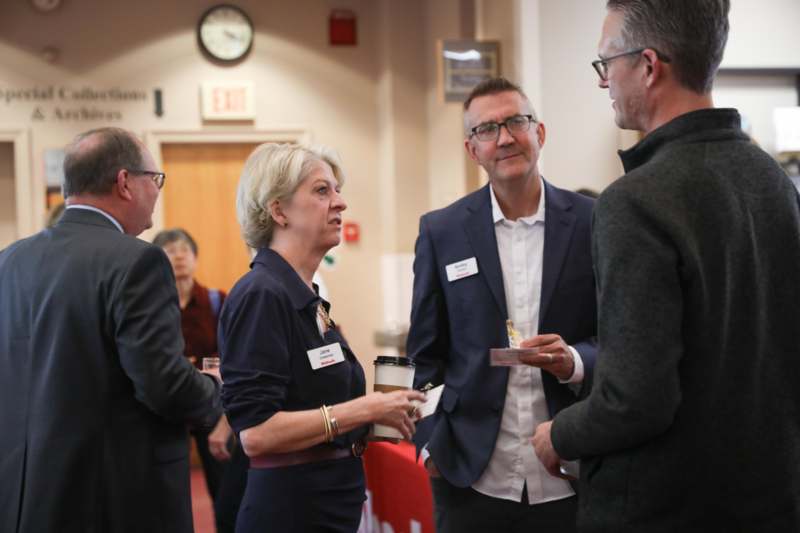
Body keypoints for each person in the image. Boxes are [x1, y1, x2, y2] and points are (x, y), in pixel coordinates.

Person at [532, 1, 800, 531]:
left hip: (665, 506)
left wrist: (559, 434)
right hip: (769, 497)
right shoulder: (774, 181)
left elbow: (635, 400)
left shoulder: (634, 201)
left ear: (649, 66)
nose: (604, 80)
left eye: (606, 62)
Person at [0, 127, 222, 533]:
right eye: (155, 179)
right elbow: (163, 384)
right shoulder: (138, 262)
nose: (157, 191)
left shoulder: (9, 261)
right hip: (113, 500)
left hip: (23, 498)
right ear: (125, 182)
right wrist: (214, 390)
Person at [406, 77, 598, 533]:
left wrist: (573, 360)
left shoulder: (595, 221)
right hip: (472, 478)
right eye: (487, 129)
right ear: (473, 150)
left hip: (572, 468)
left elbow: (621, 336)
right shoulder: (442, 231)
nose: (506, 137)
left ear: (540, 133)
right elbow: (425, 354)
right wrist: (429, 443)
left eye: (517, 122)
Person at [219, 142, 425, 533]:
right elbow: (257, 435)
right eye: (321, 191)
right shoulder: (261, 294)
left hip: (325, 507)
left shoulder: (305, 296)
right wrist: (366, 409)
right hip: (291, 513)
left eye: (337, 189)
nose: (341, 203)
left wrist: (387, 410)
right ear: (278, 211)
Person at [153, 228, 246, 533]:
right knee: (165, 496)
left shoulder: (218, 300)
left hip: (212, 407)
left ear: (194, 258)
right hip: (169, 409)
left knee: (225, 491)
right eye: (170, 250)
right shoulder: (150, 308)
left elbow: (235, 352)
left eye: (184, 250)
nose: (178, 256)